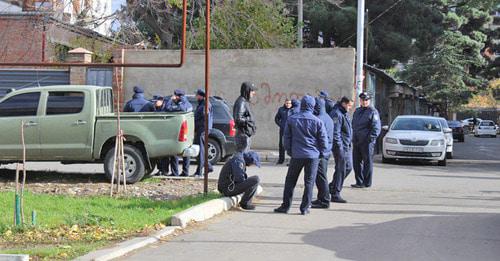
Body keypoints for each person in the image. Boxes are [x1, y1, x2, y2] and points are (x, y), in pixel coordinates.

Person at [274, 95, 329, 215]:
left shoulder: (292, 119)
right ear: (312, 106)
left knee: (290, 181)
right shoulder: (317, 121)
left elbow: (286, 138)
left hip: (297, 154)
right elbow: (323, 140)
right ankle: (304, 208)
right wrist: (322, 153)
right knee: (309, 182)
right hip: (313, 156)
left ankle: (285, 206)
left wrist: (289, 151)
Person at [351, 92, 381, 188]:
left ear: (369, 100)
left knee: (367, 162)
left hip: (366, 142)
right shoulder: (357, 111)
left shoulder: (373, 112)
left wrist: (370, 139)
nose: (364, 102)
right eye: (362, 100)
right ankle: (359, 181)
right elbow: (354, 125)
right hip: (356, 141)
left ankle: (366, 182)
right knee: (356, 162)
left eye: (366, 100)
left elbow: (376, 128)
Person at [329, 96, 353, 203]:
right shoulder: (337, 113)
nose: (350, 108)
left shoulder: (344, 113)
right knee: (341, 168)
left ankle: (333, 186)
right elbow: (335, 133)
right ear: (343, 103)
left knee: (348, 167)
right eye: (349, 105)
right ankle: (335, 193)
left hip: (346, 145)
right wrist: (339, 147)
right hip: (341, 147)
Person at [311, 97, 334, 209]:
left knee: (321, 177)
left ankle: (324, 200)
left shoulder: (319, 119)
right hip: (326, 150)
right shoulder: (327, 117)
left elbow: (319, 137)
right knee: (320, 176)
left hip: (321, 152)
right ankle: (321, 198)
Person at [164, 89, 193, 177]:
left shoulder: (181, 105)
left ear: (177, 96)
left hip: (179, 131)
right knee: (186, 152)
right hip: (187, 131)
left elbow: (168, 108)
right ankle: (185, 172)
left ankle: (175, 172)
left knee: (175, 151)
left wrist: (170, 100)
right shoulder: (189, 104)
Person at [193, 89, 214, 177]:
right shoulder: (202, 104)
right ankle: (208, 167)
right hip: (201, 130)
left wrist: (198, 127)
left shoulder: (205, 105)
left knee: (201, 151)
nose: (196, 97)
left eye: (197, 95)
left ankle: (199, 171)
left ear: (201, 96)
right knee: (201, 150)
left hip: (202, 130)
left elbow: (204, 119)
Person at [233, 82, 257, 152]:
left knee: (245, 156)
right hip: (242, 135)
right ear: (247, 90)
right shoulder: (241, 102)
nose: (254, 93)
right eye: (252, 90)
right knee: (242, 156)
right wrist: (249, 120)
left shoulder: (245, 101)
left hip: (246, 134)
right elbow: (238, 119)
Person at [274, 99, 292, 164]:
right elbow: (276, 119)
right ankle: (281, 159)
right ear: (285, 103)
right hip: (283, 130)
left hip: (291, 131)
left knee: (291, 145)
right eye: (287, 103)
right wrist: (281, 125)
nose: (288, 105)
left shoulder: (293, 110)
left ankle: (292, 161)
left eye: (289, 103)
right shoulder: (281, 109)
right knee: (281, 145)